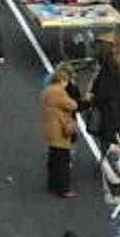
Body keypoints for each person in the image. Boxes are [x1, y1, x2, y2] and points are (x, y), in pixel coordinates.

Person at [42, 66, 79, 198]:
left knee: (54, 159)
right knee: (63, 159)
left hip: (50, 128)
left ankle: (52, 184)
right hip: (60, 130)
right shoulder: (59, 92)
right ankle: (63, 188)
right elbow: (72, 105)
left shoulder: (48, 90)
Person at [86, 39, 120, 153]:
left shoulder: (106, 73)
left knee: (109, 143)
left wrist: (91, 97)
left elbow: (102, 94)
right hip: (113, 111)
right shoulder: (113, 70)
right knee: (112, 141)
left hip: (107, 115)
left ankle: (116, 166)